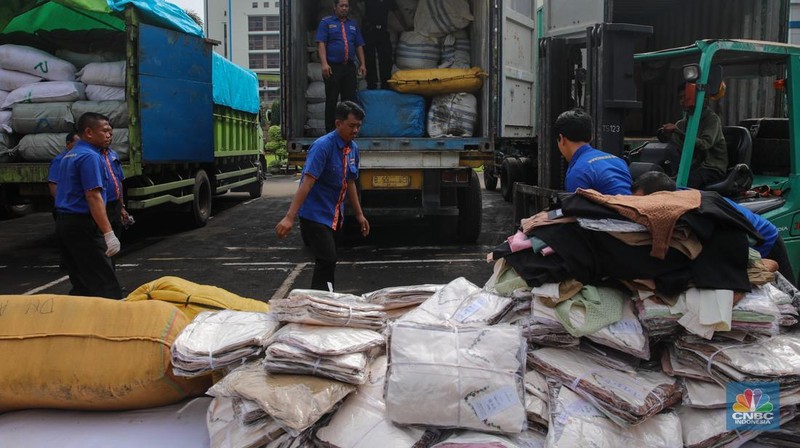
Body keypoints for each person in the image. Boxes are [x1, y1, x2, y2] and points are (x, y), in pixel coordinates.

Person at [632, 171, 795, 285]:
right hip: (743, 237)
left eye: (644, 202)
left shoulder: (694, 208)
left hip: (762, 239)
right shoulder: (676, 196)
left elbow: (733, 241)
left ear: (661, 196)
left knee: (787, 298)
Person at [275, 101, 370, 291]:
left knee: (328, 261)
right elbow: (307, 183)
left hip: (335, 215)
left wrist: (359, 215)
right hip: (315, 215)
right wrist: (289, 217)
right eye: (352, 126)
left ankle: (323, 300)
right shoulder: (322, 147)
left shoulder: (353, 149)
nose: (355, 130)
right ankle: (319, 301)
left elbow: (350, 182)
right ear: (338, 124)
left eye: (358, 126)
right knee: (327, 258)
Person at [54, 112, 122, 299]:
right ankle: (111, 322)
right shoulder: (90, 156)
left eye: (110, 131)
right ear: (89, 132)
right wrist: (108, 233)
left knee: (82, 281)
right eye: (105, 131)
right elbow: (93, 196)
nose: (109, 135)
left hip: (66, 222)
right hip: (82, 224)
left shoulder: (71, 155)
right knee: (104, 282)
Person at [657, 84, 727, 189]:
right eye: (680, 98)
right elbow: (674, 144)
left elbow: (705, 144)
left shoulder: (712, 119)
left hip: (710, 169)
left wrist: (678, 132)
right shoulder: (682, 123)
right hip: (691, 167)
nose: (681, 101)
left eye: (685, 97)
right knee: (658, 178)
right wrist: (665, 135)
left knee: (678, 185)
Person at [555, 108, 632, 195]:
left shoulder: (578, 172)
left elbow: (577, 208)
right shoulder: (619, 161)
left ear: (561, 139)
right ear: (591, 136)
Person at [316, 0, 366, 132]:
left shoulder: (353, 24)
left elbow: (359, 45)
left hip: (349, 67)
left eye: (346, 6)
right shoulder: (326, 23)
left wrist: (363, 64)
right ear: (335, 7)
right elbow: (321, 43)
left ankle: (348, 129)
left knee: (349, 102)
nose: (344, 8)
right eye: (341, 6)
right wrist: (324, 64)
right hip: (333, 67)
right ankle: (330, 130)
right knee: (332, 99)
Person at [360, 0, 410, 90]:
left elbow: (397, 12)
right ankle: (372, 84)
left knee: (386, 57)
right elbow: (356, 5)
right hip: (369, 31)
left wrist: (405, 27)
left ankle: (386, 83)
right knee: (369, 58)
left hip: (382, 31)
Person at [48, 132, 80, 198]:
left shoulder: (81, 159)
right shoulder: (59, 160)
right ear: (68, 143)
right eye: (78, 143)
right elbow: (53, 184)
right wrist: (60, 202)